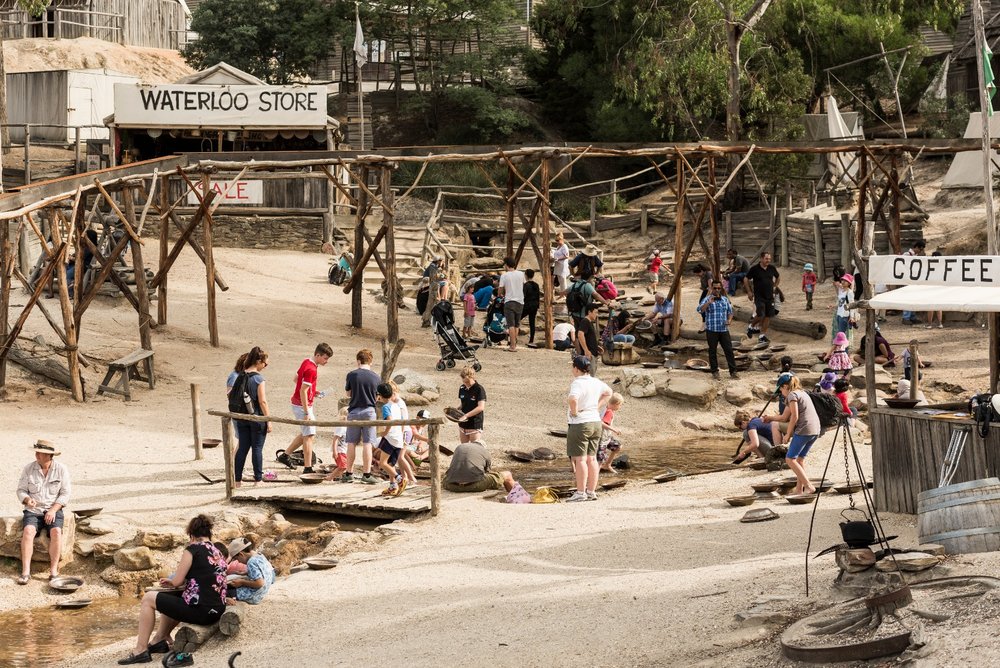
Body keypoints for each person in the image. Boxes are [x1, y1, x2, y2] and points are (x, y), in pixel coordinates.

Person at [117, 515, 227, 665]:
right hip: (217, 610)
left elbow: (177, 581)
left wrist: (172, 582)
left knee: (149, 598)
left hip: (201, 611)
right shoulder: (217, 551)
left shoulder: (192, 549)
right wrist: (176, 583)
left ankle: (140, 650)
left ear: (191, 534)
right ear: (209, 533)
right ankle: (160, 638)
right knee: (174, 596)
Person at [16, 439, 71, 584]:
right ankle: (25, 572)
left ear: (49, 456)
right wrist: (28, 500)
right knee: (28, 531)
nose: (37, 454)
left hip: (53, 509)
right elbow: (21, 490)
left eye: (41, 453)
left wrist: (53, 510)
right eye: (37, 452)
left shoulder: (61, 469)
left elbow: (65, 494)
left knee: (56, 532)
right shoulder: (28, 468)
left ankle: (54, 571)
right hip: (33, 510)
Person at [278, 343, 333, 474]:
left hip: (300, 402)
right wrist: (306, 411)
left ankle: (285, 455)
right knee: (309, 435)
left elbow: (296, 379)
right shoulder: (312, 369)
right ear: (318, 355)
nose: (326, 361)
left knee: (305, 432)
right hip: (303, 405)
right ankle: (308, 468)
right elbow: (303, 390)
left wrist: (313, 391)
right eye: (325, 358)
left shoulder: (306, 362)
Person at [565, 355, 613, 502]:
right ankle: (591, 491)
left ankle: (580, 492)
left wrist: (574, 412)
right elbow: (609, 392)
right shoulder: (596, 381)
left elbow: (573, 399)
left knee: (580, 459)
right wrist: (597, 406)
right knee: (592, 458)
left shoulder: (577, 383)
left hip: (581, 423)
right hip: (595, 422)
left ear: (576, 368)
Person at [764, 376, 821, 496]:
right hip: (815, 429)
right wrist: (770, 418)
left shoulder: (792, 395)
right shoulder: (802, 392)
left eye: (780, 390)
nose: (781, 393)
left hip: (804, 429)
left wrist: (788, 434)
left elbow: (794, 416)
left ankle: (808, 486)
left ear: (785, 386)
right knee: (799, 460)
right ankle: (799, 490)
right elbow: (784, 417)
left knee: (789, 459)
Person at [342, 348, 381, 485]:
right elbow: (377, 397)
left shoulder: (352, 375)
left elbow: (348, 394)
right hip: (369, 411)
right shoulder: (376, 377)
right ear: (370, 361)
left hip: (354, 411)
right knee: (367, 443)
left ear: (358, 361)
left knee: (351, 442)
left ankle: (349, 473)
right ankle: (367, 473)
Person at [233, 347, 271, 487]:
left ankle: (237, 480)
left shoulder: (240, 375)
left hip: (242, 417)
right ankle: (258, 479)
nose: (265, 366)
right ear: (259, 361)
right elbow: (262, 401)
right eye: (265, 364)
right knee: (257, 448)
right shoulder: (258, 379)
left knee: (242, 447)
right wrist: (268, 420)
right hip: (256, 418)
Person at [698, 279, 738, 380]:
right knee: (712, 351)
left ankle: (733, 372)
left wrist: (729, 320)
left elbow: (730, 312)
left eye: (719, 288)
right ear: (711, 288)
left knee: (729, 350)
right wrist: (708, 303)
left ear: (721, 288)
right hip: (712, 330)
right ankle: (715, 372)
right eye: (715, 288)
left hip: (723, 330)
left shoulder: (725, 299)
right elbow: (699, 310)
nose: (717, 290)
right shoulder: (707, 299)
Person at [444, 439, 515, 493]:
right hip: (473, 485)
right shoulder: (485, 451)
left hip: (450, 485)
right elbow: (487, 473)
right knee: (507, 475)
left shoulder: (460, 447)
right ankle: (518, 499)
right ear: (483, 447)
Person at [375, 383, 407, 497]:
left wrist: (385, 432)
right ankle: (393, 486)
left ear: (379, 395)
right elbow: (402, 420)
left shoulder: (386, 407)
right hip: (398, 438)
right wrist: (401, 434)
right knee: (390, 464)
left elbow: (389, 420)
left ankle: (399, 479)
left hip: (390, 438)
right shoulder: (396, 405)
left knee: (383, 463)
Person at [225, 537, 275, 605]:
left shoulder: (251, 562)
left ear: (241, 554)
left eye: (236, 559)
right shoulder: (259, 556)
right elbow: (263, 572)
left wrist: (242, 582)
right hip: (261, 594)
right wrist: (245, 573)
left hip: (253, 595)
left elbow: (259, 583)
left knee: (224, 592)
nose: (238, 561)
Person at [743, 252, 780, 344]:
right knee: (761, 315)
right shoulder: (755, 269)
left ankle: (762, 336)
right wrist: (749, 291)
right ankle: (751, 327)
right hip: (759, 296)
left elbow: (778, 277)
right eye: (766, 259)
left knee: (768, 316)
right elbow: (746, 279)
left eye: (769, 259)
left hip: (770, 297)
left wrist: (775, 286)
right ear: (761, 259)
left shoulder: (772, 268)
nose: (768, 261)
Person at [498, 256, 526, 352]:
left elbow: (500, 290)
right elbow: (523, 285)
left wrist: (500, 295)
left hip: (509, 301)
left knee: (511, 324)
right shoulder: (521, 274)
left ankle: (512, 346)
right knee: (517, 324)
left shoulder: (504, 276)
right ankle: (514, 343)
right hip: (520, 301)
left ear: (506, 265)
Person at [457, 366, 486, 443]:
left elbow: (481, 407)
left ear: (472, 377)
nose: (466, 384)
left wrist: (466, 415)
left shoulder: (479, 389)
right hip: (463, 423)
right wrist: (458, 408)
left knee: (474, 448)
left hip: (474, 423)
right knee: (463, 447)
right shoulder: (462, 388)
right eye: (464, 382)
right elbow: (463, 402)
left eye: (468, 382)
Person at [597, 393, 625, 472]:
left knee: (617, 446)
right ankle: (593, 478)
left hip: (607, 438)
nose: (620, 407)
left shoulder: (605, 408)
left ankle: (607, 465)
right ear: (617, 404)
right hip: (601, 439)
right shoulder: (609, 412)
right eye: (620, 405)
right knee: (599, 460)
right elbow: (602, 423)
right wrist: (614, 429)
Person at [902, 240, 927, 325]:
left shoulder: (916, 256)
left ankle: (912, 317)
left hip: (914, 280)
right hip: (907, 280)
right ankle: (906, 317)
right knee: (907, 298)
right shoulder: (906, 255)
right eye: (920, 249)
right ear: (916, 247)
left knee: (913, 298)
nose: (920, 251)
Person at [324, 407, 350, 482]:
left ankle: (339, 477)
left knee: (344, 466)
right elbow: (335, 439)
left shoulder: (347, 427)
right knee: (343, 466)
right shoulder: (341, 427)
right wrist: (335, 451)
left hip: (344, 450)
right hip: (340, 451)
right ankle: (330, 477)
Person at [576, 303, 602, 369]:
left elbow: (589, 338)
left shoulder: (589, 322)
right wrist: (586, 350)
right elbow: (580, 334)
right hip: (589, 354)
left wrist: (596, 347)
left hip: (592, 353)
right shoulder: (585, 321)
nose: (597, 315)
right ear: (589, 312)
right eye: (595, 312)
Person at [831, 273, 854, 342]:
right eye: (842, 280)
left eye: (845, 281)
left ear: (849, 283)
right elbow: (840, 302)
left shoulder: (849, 292)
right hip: (839, 314)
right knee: (839, 334)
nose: (843, 282)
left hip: (845, 315)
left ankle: (844, 351)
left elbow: (852, 304)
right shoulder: (841, 291)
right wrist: (834, 306)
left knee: (842, 334)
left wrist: (851, 316)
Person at [523, 269, 541, 344]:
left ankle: (512, 338)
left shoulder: (526, 285)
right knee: (532, 322)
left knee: (517, 320)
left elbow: (523, 295)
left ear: (526, 275)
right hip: (535, 305)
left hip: (527, 305)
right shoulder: (536, 285)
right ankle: (531, 340)